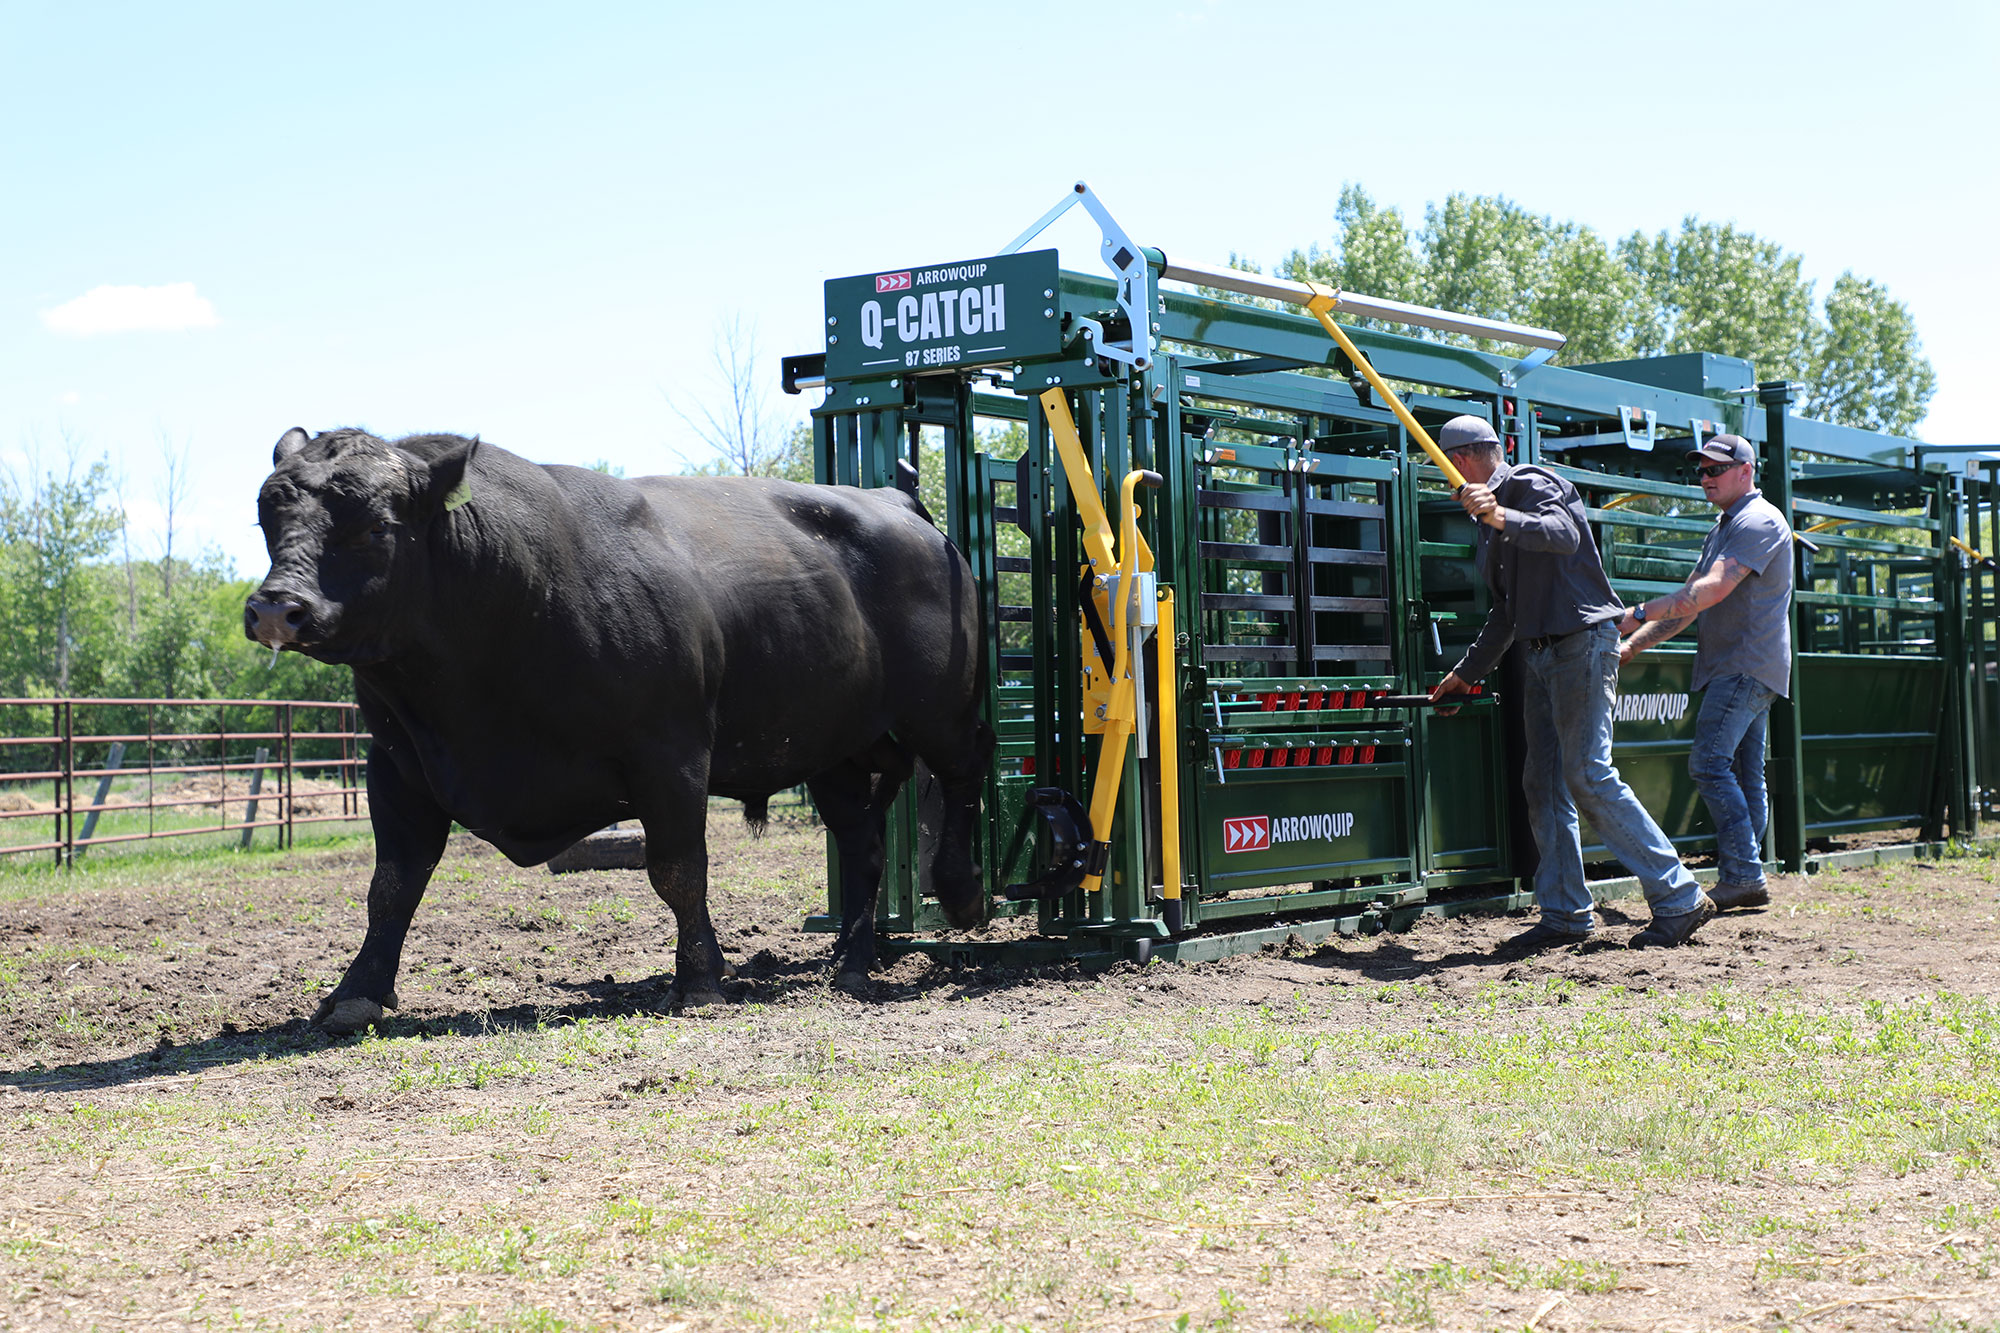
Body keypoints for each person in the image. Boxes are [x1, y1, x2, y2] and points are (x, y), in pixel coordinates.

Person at [1427, 415, 1714, 950]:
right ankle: (1564, 914)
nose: (1446, 480)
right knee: (1545, 783)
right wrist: (1464, 675)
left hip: (1581, 644)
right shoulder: (1489, 521)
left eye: (1444, 468)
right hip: (1540, 655)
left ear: (1461, 460)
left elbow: (1563, 535)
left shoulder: (1530, 484)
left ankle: (1679, 896)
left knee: (1587, 773)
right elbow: (1505, 615)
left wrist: (1502, 514)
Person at [1616, 433, 1793, 911]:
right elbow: (1688, 605)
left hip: (1744, 665)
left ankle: (1744, 876)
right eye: (1702, 470)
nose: (1705, 478)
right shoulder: (1727, 525)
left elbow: (1710, 591)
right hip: (1744, 666)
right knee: (1741, 771)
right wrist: (1632, 644)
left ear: (1745, 471)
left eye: (1716, 469)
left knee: (1708, 764)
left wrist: (1636, 611)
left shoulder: (1758, 520)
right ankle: (1748, 875)